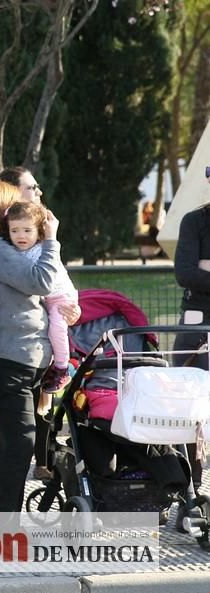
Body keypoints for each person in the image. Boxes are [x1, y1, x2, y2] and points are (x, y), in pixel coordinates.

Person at [0, 179, 63, 515]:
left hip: (17, 362)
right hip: (6, 362)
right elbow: (42, 281)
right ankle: (0, 530)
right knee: (20, 441)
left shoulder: (2, 250)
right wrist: (51, 241)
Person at [1, 202, 79, 403]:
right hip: (45, 299)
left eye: (27, 230)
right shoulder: (14, 250)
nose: (21, 236)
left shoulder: (43, 248)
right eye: (15, 230)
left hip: (60, 298)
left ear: (39, 231)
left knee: (57, 328)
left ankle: (62, 367)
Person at [170, 163, 210, 515]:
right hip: (199, 329)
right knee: (191, 412)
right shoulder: (194, 221)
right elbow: (186, 273)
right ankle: (190, 495)